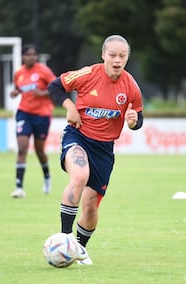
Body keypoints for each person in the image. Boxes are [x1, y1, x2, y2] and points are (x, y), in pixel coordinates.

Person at [47, 35, 144, 265]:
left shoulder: (130, 86)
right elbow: (54, 86)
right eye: (112, 55)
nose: (117, 60)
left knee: (90, 207)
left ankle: (79, 248)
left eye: (122, 56)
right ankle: (65, 238)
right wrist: (69, 105)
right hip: (78, 136)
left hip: (104, 149)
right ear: (103, 56)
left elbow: (138, 118)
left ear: (127, 58)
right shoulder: (88, 74)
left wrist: (133, 121)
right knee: (79, 176)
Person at [10, 44, 56, 198]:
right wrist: (15, 92)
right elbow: (18, 88)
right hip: (24, 113)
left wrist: (43, 92)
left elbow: (56, 87)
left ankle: (47, 177)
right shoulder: (19, 73)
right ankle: (19, 187)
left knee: (39, 151)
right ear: (23, 57)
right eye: (29, 54)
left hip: (42, 115)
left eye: (34, 54)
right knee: (22, 148)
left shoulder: (43, 71)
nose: (32, 57)